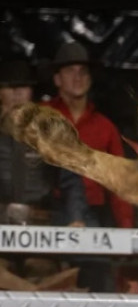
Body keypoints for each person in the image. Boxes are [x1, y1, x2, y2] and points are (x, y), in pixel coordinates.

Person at [43, 41, 133, 291]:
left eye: (83, 72)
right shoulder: (41, 115)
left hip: (93, 213)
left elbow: (119, 183)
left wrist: (125, 231)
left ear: (91, 79)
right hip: (47, 212)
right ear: (57, 79)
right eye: (70, 71)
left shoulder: (105, 127)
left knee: (98, 272)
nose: (77, 77)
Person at [0, 58, 89, 284]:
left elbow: (72, 181)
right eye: (11, 87)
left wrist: (76, 218)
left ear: (31, 92)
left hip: (40, 225)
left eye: (23, 87)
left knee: (41, 270)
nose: (18, 93)